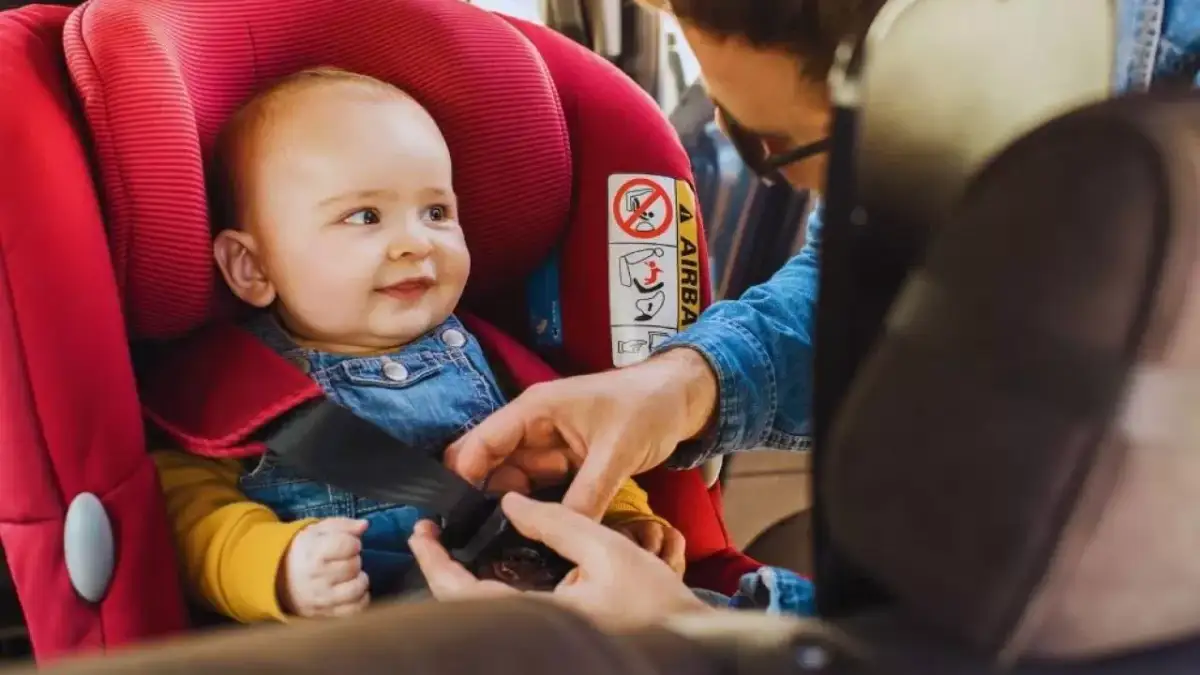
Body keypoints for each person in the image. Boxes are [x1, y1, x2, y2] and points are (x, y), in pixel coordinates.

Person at [410, 0, 1200, 628]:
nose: (783, 185)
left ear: (945, 68)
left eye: (773, 146)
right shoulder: (945, 126)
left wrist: (700, 638)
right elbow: (870, 271)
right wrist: (685, 384)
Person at [151, 67, 684, 623]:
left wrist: (622, 519)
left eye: (436, 212)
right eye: (365, 216)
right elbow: (189, 518)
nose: (415, 242)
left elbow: (579, 454)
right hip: (379, 641)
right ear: (252, 266)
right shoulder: (233, 393)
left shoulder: (500, 362)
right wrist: (280, 568)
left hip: (544, 619)